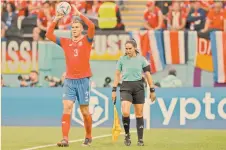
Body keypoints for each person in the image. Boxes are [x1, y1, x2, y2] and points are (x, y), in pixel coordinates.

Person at [45, 4, 95, 147]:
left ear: (81, 29)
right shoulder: (65, 42)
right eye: (72, 27)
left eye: (77, 27)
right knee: (67, 107)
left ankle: (88, 135)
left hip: (84, 80)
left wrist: (80, 15)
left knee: (85, 111)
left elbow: (91, 26)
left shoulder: (87, 40)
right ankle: (65, 139)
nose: (74, 29)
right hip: (69, 80)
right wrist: (56, 18)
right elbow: (48, 34)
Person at [111, 39, 156, 146]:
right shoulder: (121, 59)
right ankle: (127, 135)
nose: (128, 51)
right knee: (125, 112)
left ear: (135, 48)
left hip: (139, 87)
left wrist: (152, 90)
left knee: (139, 113)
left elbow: (148, 75)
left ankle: (140, 139)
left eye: (130, 48)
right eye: (126, 49)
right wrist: (113, 90)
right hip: (125, 86)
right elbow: (117, 75)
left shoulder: (142, 60)